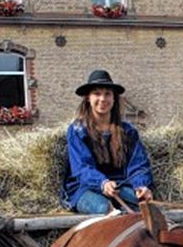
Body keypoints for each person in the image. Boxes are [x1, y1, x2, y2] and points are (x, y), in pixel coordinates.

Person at [63, 70, 154, 214]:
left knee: (146, 206)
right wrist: (102, 183)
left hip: (119, 186)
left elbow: (138, 164)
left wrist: (141, 186)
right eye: (97, 94)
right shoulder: (77, 130)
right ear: (88, 98)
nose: (103, 99)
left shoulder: (128, 131)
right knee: (103, 208)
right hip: (84, 188)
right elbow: (81, 167)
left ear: (114, 98)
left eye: (107, 94)